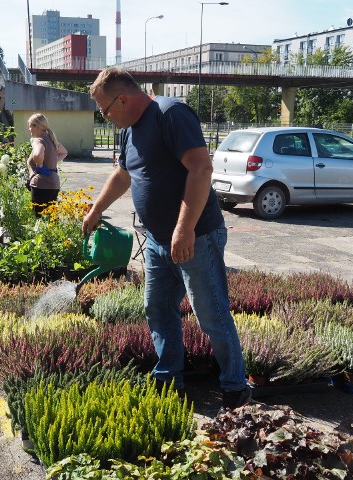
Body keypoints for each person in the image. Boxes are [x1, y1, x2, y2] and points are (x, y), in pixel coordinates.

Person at [83, 67, 251, 410]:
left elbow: (201, 168)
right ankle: (167, 378)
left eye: (105, 110)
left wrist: (184, 228)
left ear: (123, 98)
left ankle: (235, 387)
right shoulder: (129, 131)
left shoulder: (169, 114)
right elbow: (123, 174)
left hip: (196, 235)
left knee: (211, 314)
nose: (105, 117)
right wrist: (96, 209)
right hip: (159, 240)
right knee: (158, 308)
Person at [26, 113, 68, 217]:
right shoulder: (51, 139)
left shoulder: (39, 140)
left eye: (30, 126)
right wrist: (52, 162)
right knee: (51, 219)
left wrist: (40, 165)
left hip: (41, 185)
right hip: (54, 184)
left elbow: (37, 154)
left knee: (39, 219)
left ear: (38, 127)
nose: (29, 129)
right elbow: (64, 152)